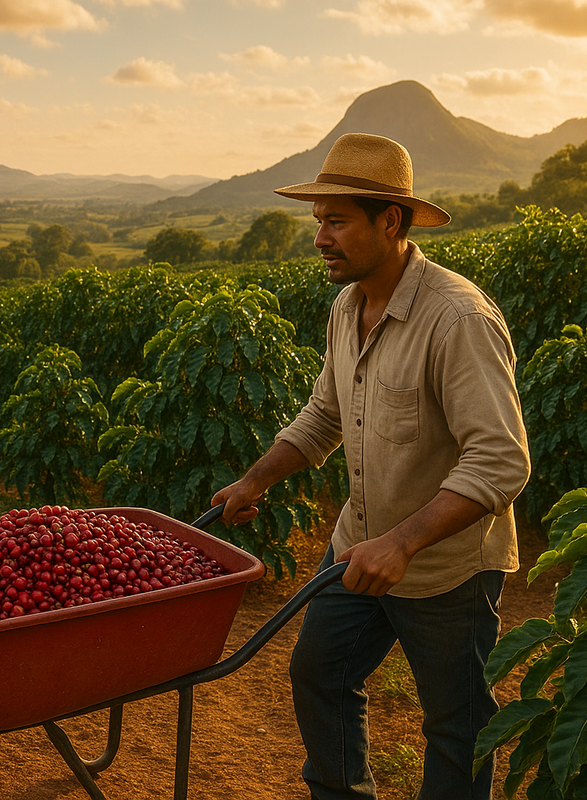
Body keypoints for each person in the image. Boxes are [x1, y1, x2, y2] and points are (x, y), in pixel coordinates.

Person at [211, 133, 530, 800]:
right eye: (317, 221)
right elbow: (324, 414)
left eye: (336, 220)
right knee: (319, 674)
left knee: (457, 723)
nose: (320, 237)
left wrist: (405, 541)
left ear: (389, 221)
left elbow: (501, 460)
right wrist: (255, 479)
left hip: (445, 569)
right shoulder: (347, 307)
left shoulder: (457, 319)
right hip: (358, 547)